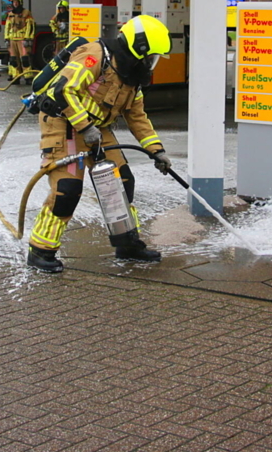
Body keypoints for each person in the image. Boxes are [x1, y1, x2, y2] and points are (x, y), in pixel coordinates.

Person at [26, 14, 174, 273]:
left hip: (96, 127)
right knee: (67, 189)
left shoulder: (132, 73)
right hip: (63, 122)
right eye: (151, 55)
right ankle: (41, 251)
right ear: (138, 48)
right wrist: (86, 128)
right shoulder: (95, 55)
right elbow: (64, 91)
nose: (152, 62)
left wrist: (156, 150)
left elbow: (137, 116)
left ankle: (127, 243)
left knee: (122, 182)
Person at [4, 0, 36, 86]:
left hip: (22, 39)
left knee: (25, 59)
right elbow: (7, 27)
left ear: (20, 2)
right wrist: (6, 38)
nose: (15, 4)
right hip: (12, 39)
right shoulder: (10, 14)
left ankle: (28, 77)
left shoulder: (26, 13)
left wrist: (28, 38)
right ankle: (16, 77)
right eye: (14, 2)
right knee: (14, 59)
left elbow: (30, 26)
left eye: (17, 2)